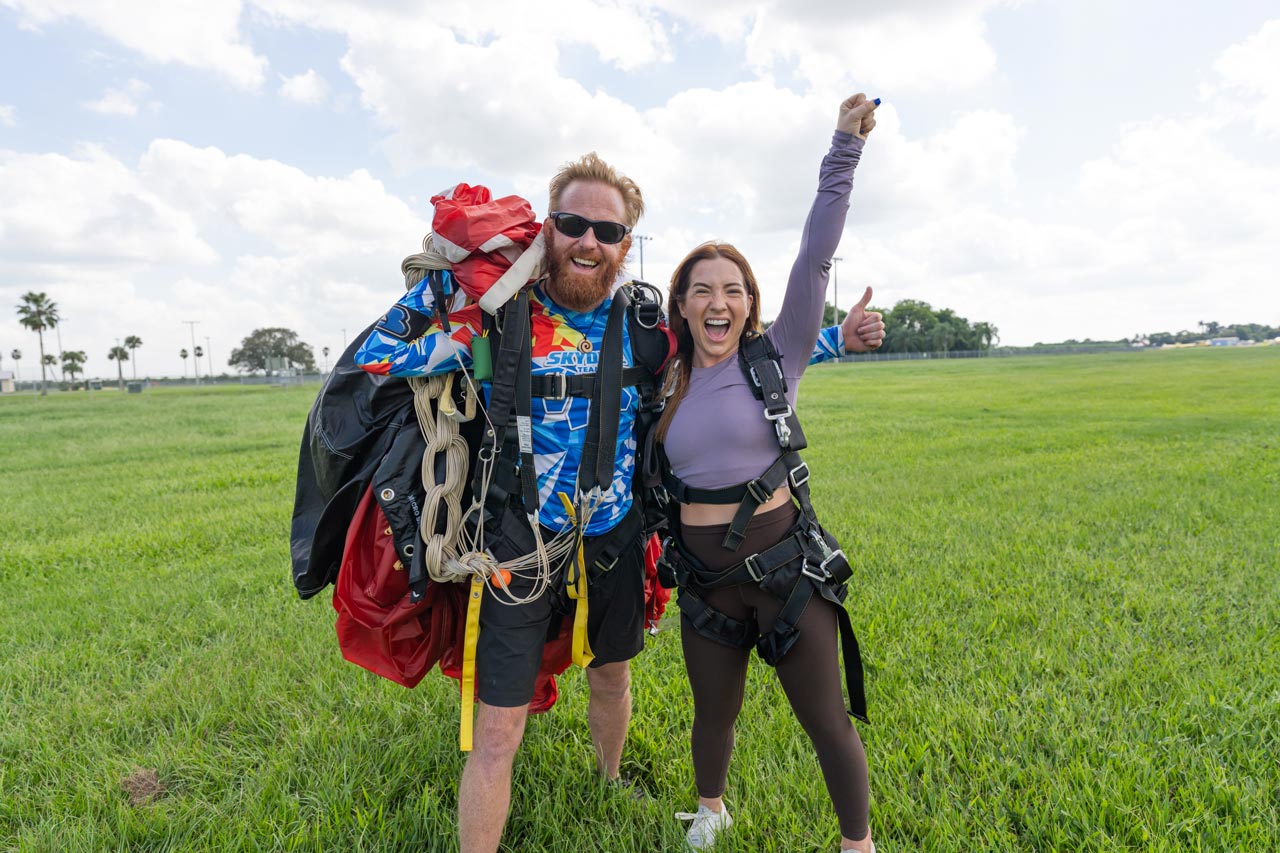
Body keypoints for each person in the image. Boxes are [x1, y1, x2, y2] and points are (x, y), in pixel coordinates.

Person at [354, 153, 661, 853]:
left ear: (625, 245)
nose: (589, 240)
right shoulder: (498, 316)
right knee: (497, 726)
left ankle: (609, 779)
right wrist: (444, 292)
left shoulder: (647, 323)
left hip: (612, 531)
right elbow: (377, 355)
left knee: (612, 673)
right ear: (545, 231)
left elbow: (734, 353)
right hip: (516, 540)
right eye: (572, 223)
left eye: (607, 231)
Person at [654, 93, 883, 852]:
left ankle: (858, 844)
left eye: (734, 289)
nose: (718, 301)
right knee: (712, 712)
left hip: (787, 576)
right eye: (702, 289)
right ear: (682, 305)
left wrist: (843, 148)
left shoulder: (778, 356)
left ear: (750, 303)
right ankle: (711, 809)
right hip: (704, 583)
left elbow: (815, 252)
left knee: (826, 720)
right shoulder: (662, 381)